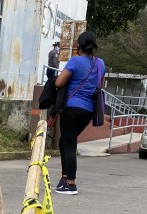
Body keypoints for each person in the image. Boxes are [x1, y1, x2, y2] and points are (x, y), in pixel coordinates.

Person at [53, 31, 105, 195]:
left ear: (79, 47)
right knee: (65, 142)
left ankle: (70, 183)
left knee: (69, 145)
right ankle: (64, 178)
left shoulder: (75, 61)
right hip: (88, 111)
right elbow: (100, 84)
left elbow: (59, 82)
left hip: (72, 108)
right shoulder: (100, 64)